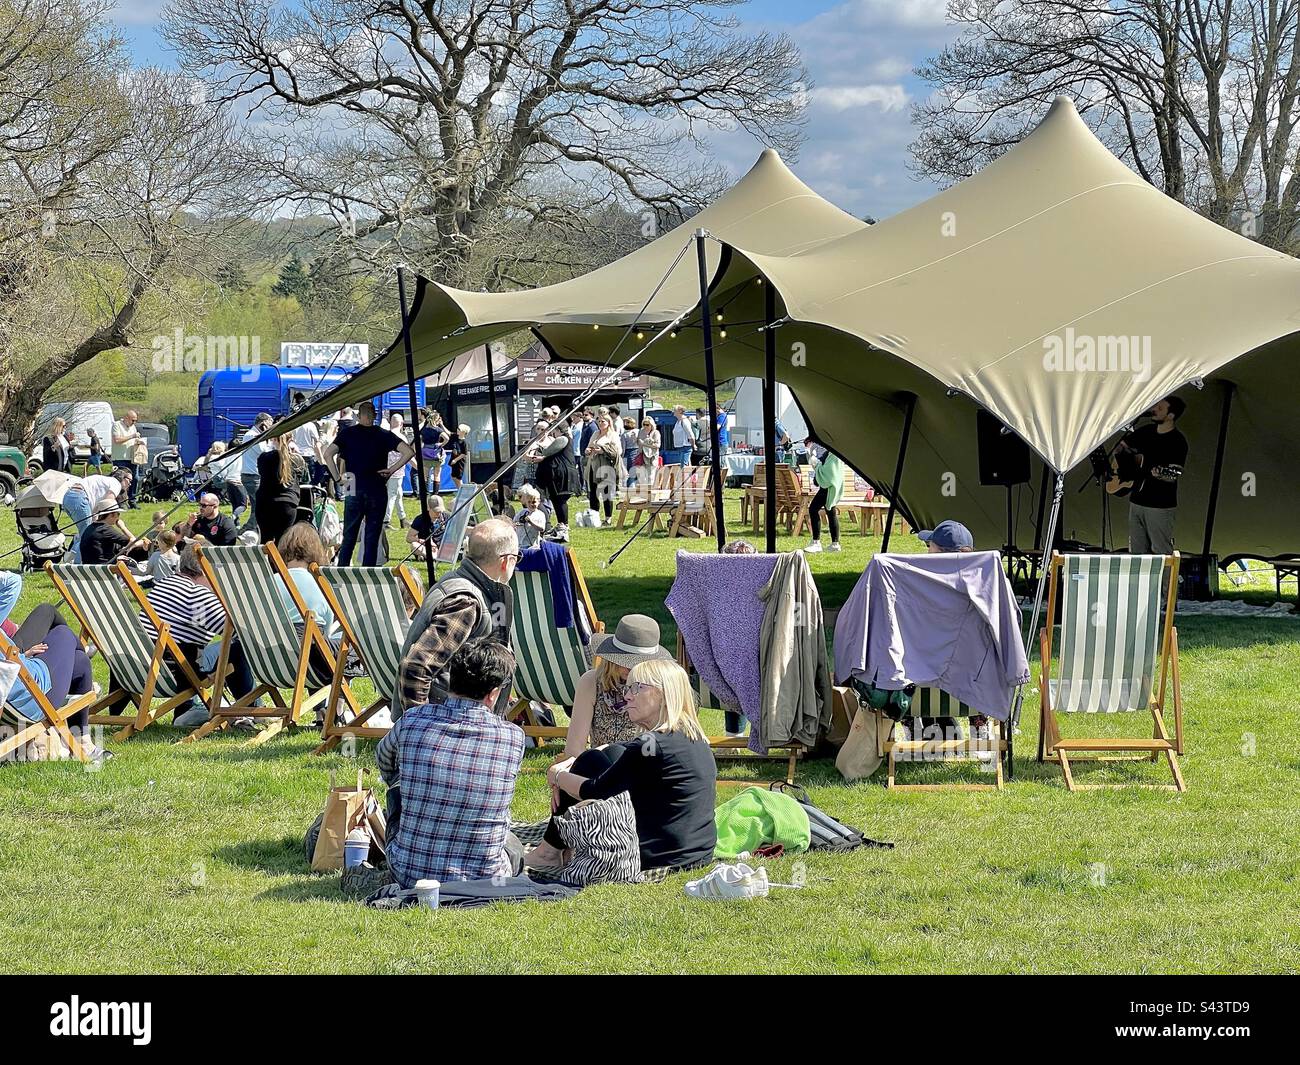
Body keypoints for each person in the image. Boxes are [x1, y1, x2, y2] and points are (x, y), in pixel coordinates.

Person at [526, 657, 717, 873]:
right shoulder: (691, 738)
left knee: (588, 761)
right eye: (628, 688)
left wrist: (557, 775)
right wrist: (587, 755)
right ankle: (552, 850)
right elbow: (621, 750)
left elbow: (595, 790)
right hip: (695, 852)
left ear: (662, 694)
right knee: (606, 754)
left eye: (637, 688)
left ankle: (548, 853)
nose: (627, 695)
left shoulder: (650, 745)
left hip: (657, 856)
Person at [377, 639, 525, 887]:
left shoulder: (411, 720)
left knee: (396, 792)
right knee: (513, 845)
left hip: (408, 872)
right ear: (493, 694)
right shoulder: (513, 737)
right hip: (486, 880)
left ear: (450, 679)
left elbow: (384, 761)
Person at [398, 518, 519, 715]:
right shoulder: (466, 602)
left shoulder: (456, 581)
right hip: (449, 724)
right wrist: (419, 726)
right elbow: (416, 666)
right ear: (506, 561)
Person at [0, 573, 104, 762]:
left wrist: (21, 656)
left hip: (13, 695)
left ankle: (83, 740)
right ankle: (82, 741)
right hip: (32, 698)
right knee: (64, 633)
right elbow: (12, 581)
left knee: (80, 662)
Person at [911, 519, 990, 746]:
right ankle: (980, 736)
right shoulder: (985, 595)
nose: (926, 550)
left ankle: (916, 732)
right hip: (974, 690)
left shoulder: (917, 594)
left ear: (940, 554)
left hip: (922, 692)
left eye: (930, 546)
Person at [560, 614, 673, 760]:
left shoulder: (659, 688)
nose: (629, 665)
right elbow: (574, 748)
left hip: (647, 767)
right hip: (603, 767)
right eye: (624, 658)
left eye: (637, 661)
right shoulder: (592, 682)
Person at [326, 401, 413, 566]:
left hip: (352, 482)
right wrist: (391, 469)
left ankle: (342, 571)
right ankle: (367, 572)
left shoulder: (347, 433)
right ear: (374, 415)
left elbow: (328, 454)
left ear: (358, 416)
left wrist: (338, 478)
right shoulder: (383, 434)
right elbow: (409, 452)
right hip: (376, 486)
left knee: (349, 536)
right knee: (372, 537)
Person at [1120, 397, 1189, 555]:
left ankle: (1166, 581)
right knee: (1136, 552)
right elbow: (1123, 446)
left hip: (1160, 504)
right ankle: (1139, 581)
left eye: (1160, 408)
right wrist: (1124, 461)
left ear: (1170, 415)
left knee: (1160, 551)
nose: (1154, 409)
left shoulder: (1177, 441)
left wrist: (1160, 475)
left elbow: (1173, 475)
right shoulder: (1146, 431)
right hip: (1136, 500)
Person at [528, 417, 580, 544]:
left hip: (563, 476)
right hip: (560, 475)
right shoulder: (563, 439)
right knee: (557, 500)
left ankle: (564, 527)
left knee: (560, 500)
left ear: (559, 429)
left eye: (554, 429)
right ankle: (561, 526)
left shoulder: (563, 439)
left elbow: (547, 451)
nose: (552, 432)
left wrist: (539, 449)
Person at [63, 468, 130, 563]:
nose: (130, 484)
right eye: (129, 480)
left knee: (85, 533)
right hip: (79, 497)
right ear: (122, 478)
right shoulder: (116, 484)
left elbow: (97, 510)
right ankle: (77, 567)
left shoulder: (105, 481)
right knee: (87, 536)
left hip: (68, 497)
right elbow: (108, 505)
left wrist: (95, 521)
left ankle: (71, 560)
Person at [255, 435, 305, 547]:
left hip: (265, 502)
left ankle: (267, 564)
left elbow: (261, 473)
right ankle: (280, 564)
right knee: (282, 542)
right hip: (287, 503)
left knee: (265, 541)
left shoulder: (264, 457)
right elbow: (302, 477)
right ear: (291, 440)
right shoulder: (297, 459)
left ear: (273, 439)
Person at [803, 436, 844, 553]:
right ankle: (835, 544)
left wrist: (816, 463)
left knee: (813, 509)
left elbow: (828, 472)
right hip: (832, 487)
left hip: (828, 487)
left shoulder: (834, 455)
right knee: (831, 512)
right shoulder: (835, 453)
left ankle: (816, 542)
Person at [583, 412, 625, 526]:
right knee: (593, 492)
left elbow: (618, 451)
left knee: (606, 493)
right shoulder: (596, 433)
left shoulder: (613, 435)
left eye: (603, 421)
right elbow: (589, 445)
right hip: (593, 464)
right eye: (599, 421)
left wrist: (602, 450)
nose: (601, 423)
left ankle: (608, 518)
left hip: (606, 466)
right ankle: (594, 517)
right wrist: (588, 450)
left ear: (609, 423)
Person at [238, 413, 274, 533]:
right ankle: (248, 528)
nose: (272, 425)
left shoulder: (258, 435)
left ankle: (254, 529)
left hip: (256, 475)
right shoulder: (251, 435)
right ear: (263, 422)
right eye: (270, 422)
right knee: (260, 505)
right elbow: (264, 451)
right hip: (252, 476)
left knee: (258, 505)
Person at [78, 501, 145, 565]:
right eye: (118, 514)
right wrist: (123, 527)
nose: (118, 517)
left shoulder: (90, 528)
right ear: (111, 514)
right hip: (106, 569)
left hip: (91, 569)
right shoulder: (105, 529)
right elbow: (133, 541)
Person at [383, 411, 411, 530]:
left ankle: (402, 518)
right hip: (396, 471)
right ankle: (386, 521)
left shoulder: (385, 435)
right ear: (402, 423)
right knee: (392, 495)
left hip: (386, 469)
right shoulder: (401, 437)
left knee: (398, 494)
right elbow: (408, 455)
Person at [110, 409, 144, 507]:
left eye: (135, 420)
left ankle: (132, 500)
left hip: (132, 457)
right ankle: (120, 501)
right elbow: (117, 440)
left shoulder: (133, 427)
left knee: (135, 478)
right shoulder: (117, 425)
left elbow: (134, 439)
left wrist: (139, 442)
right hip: (120, 458)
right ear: (126, 418)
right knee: (120, 480)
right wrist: (132, 436)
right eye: (132, 420)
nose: (134, 422)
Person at [406, 495, 450, 560]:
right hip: (427, 547)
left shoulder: (446, 516)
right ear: (428, 508)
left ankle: (427, 557)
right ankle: (432, 557)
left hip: (443, 547)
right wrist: (419, 540)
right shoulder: (420, 519)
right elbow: (409, 538)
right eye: (435, 511)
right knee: (414, 545)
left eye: (440, 511)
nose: (438, 514)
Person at [419, 409, 450, 495]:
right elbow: (447, 438)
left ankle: (425, 493)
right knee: (437, 474)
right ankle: (435, 493)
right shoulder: (438, 430)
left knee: (425, 475)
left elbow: (420, 440)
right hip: (436, 454)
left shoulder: (424, 430)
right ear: (436, 419)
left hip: (425, 454)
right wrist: (441, 444)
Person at [512, 484, 547, 549]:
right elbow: (514, 522)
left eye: (534, 502)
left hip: (533, 546)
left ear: (538, 501)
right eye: (529, 502)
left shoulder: (540, 514)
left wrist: (531, 522)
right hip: (520, 544)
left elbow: (542, 529)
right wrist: (516, 525)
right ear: (526, 502)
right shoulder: (522, 512)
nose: (531, 504)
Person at [635, 415, 661, 487]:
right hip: (641, 456)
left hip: (652, 457)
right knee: (641, 476)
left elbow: (657, 445)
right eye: (644, 424)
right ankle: (643, 492)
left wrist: (644, 444)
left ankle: (650, 492)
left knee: (650, 476)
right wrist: (636, 440)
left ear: (651, 425)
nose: (645, 426)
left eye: (647, 425)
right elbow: (638, 443)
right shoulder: (641, 431)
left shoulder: (656, 433)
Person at [447, 422, 470, 487]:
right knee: (453, 476)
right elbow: (448, 433)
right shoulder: (455, 437)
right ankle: (459, 490)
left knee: (458, 478)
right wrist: (441, 424)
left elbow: (464, 454)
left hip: (459, 462)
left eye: (459, 429)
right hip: (454, 460)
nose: (457, 430)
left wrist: (455, 460)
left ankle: (462, 491)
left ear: (463, 432)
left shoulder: (464, 442)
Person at [620, 417, 639, 486]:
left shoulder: (624, 434)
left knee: (631, 473)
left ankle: (631, 489)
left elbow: (623, 447)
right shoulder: (638, 431)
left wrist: (621, 457)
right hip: (639, 453)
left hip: (629, 453)